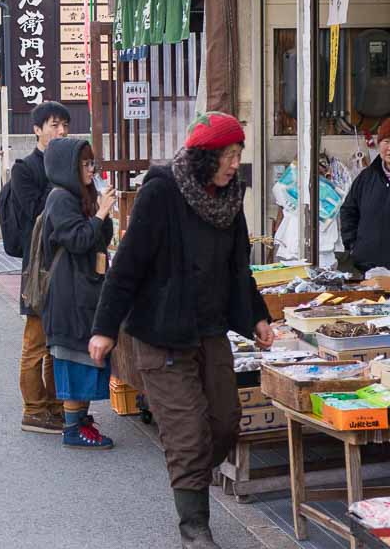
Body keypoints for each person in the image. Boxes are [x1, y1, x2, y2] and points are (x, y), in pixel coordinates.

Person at [89, 112, 273, 548]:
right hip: (161, 333)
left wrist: (258, 317)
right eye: (229, 154)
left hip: (210, 330)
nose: (235, 163)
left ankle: (185, 471)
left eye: (238, 154)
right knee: (188, 431)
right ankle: (195, 528)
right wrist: (104, 328)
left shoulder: (230, 200)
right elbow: (126, 268)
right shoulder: (162, 193)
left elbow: (237, 270)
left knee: (226, 422)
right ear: (206, 156)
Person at [40, 138, 116, 450]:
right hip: (69, 291)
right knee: (74, 355)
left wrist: (102, 211)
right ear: (67, 168)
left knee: (85, 356)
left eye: (91, 163)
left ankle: (82, 421)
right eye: (84, 164)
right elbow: (79, 240)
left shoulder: (78, 195)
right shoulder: (60, 198)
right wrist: (100, 213)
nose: (90, 169)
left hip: (84, 286)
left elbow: (101, 236)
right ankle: (73, 429)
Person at [9, 101, 71, 435]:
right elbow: (36, 212)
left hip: (66, 265)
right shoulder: (25, 168)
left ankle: (57, 406)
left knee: (56, 342)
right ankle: (34, 410)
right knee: (35, 342)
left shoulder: (72, 163)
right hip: (38, 268)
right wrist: (61, 178)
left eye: (64, 125)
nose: (60, 131)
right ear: (37, 129)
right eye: (53, 125)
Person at [340, 118, 390, 273]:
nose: (389, 148)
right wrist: (353, 245)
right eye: (386, 141)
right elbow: (348, 211)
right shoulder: (366, 178)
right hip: (366, 267)